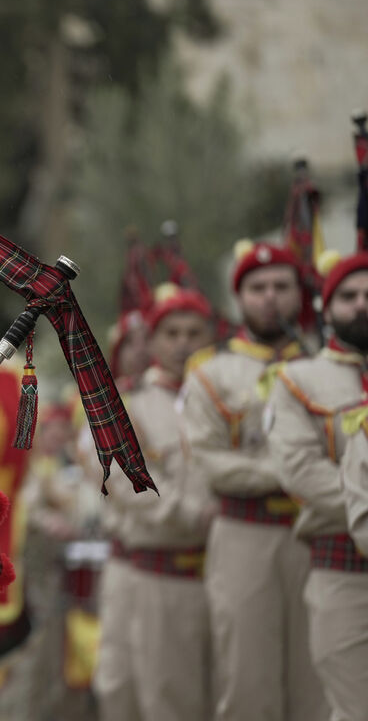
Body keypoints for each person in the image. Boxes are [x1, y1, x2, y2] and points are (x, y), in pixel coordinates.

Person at [180, 241, 326, 721]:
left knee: (319, 680)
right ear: (239, 298)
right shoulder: (211, 373)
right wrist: (293, 473)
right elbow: (210, 461)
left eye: (282, 286)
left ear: (299, 295)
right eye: (257, 287)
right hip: (245, 535)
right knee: (248, 680)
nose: (270, 297)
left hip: (320, 537)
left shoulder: (327, 369)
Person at [96, 287, 215, 721]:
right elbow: (126, 482)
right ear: (154, 341)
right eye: (171, 333)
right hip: (151, 567)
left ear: (210, 338)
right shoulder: (126, 405)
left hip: (218, 567)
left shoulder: (224, 401)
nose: (183, 343)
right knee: (140, 692)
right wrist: (190, 513)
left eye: (194, 332)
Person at [268, 252, 368, 721]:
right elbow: (300, 471)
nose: (362, 304)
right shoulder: (298, 379)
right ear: (327, 309)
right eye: (349, 296)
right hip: (344, 572)